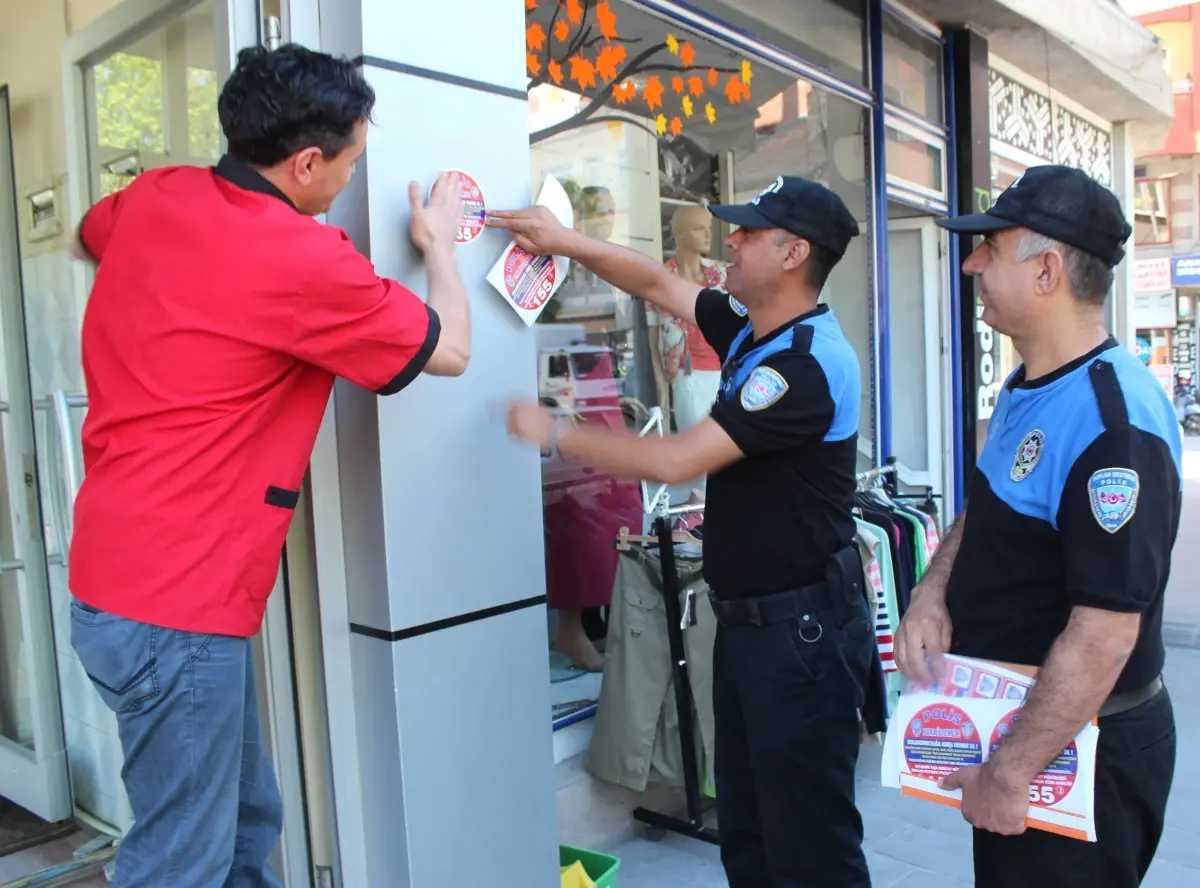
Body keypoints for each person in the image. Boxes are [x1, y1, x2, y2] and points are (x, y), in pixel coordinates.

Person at [67, 44, 470, 888]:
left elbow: (85, 237)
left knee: (245, 823)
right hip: (176, 607)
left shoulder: (156, 195)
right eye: (353, 163)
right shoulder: (303, 260)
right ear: (307, 163)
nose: (353, 181)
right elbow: (452, 351)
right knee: (179, 862)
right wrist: (437, 247)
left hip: (116, 583)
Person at [488, 176, 876, 888]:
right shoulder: (756, 327)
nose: (730, 239)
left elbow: (678, 457)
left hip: (801, 638)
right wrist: (562, 239)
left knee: (812, 852)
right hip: (756, 631)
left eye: (749, 233)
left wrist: (556, 434)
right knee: (751, 838)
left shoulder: (803, 366)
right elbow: (657, 285)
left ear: (794, 255)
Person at [894, 165, 1181, 887]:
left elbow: (1106, 632)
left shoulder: (1114, 427)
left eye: (989, 247)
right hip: (1025, 734)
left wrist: (1011, 769)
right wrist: (932, 590)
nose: (970, 264)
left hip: (1082, 748)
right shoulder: (1029, 383)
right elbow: (985, 509)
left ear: (1048, 269)